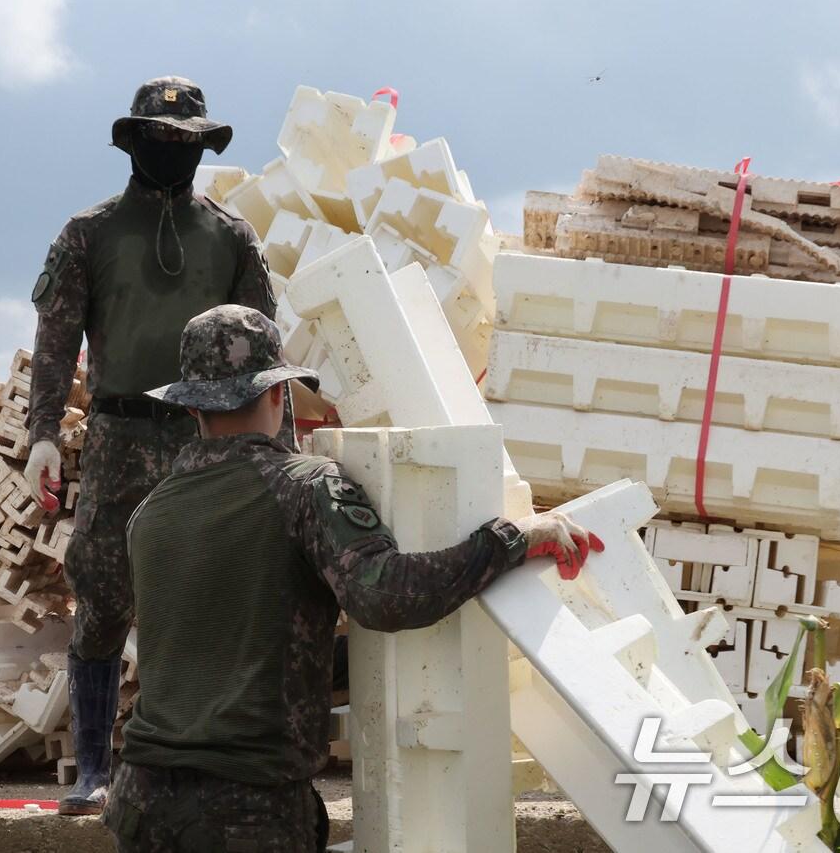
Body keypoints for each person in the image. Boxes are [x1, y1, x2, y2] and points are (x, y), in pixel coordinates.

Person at [99, 304, 597, 852]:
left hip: (142, 805)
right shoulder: (302, 486)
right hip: (245, 811)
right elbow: (385, 594)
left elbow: (236, 647)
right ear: (275, 395)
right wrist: (513, 540)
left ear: (193, 407)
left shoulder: (150, 513)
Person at [24, 77, 279, 816]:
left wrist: (279, 446)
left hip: (213, 431)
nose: (174, 151)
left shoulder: (232, 236)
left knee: (217, 591)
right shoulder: (90, 233)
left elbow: (265, 351)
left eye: (186, 141)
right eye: (160, 139)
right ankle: (95, 767)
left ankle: (215, 761)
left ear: (202, 146)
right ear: (134, 142)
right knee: (102, 588)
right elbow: (54, 337)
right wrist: (43, 434)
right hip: (118, 432)